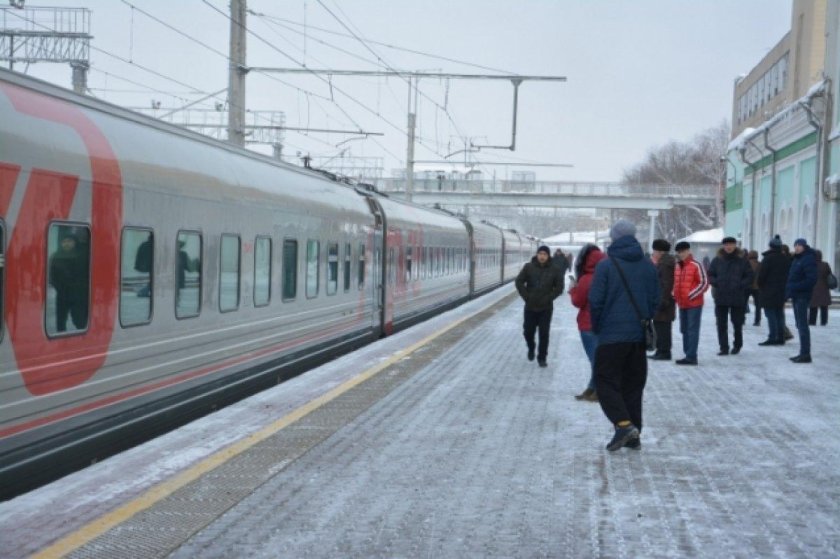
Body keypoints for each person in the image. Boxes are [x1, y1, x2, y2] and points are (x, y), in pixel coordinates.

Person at [589, 219, 659, 451]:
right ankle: (634, 434)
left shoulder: (606, 266)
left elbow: (596, 301)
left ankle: (624, 424)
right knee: (632, 384)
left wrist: (598, 327)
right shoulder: (648, 265)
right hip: (637, 336)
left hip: (611, 336)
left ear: (614, 238)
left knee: (605, 381)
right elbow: (656, 300)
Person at [569, 243, 606, 401]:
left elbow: (578, 301)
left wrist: (572, 289)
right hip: (604, 324)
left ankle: (599, 391)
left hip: (588, 324)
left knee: (595, 360)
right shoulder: (607, 275)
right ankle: (592, 388)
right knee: (598, 358)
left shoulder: (586, 279)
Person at [515, 245, 563, 367]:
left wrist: (549, 298)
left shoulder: (555, 269)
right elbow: (519, 281)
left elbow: (559, 287)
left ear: (548, 256)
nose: (542, 256)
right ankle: (531, 347)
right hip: (530, 306)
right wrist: (526, 296)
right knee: (528, 331)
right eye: (540, 253)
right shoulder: (528, 267)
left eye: (545, 254)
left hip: (546, 308)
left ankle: (542, 357)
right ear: (537, 254)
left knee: (544, 333)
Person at [707, 237, 754, 356]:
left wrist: (740, 285)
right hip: (721, 295)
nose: (729, 247)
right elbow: (710, 274)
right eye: (726, 244)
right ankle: (724, 347)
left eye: (731, 244)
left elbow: (749, 276)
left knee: (737, 323)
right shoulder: (717, 260)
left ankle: (737, 345)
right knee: (721, 323)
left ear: (735, 245)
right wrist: (716, 282)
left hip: (737, 296)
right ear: (723, 246)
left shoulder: (742, 260)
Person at [673, 241, 709, 365]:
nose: (681, 254)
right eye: (679, 252)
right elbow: (676, 283)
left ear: (688, 251)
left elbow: (704, 283)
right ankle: (687, 352)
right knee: (684, 329)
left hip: (694, 304)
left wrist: (691, 295)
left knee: (692, 329)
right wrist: (675, 294)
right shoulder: (678, 266)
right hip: (682, 303)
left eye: (683, 251)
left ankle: (691, 356)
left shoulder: (696, 265)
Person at [48, 231, 89, 332]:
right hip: (63, 294)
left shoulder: (83, 256)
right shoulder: (56, 256)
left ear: (74, 242)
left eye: (69, 241)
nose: (66, 243)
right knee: (60, 321)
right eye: (64, 241)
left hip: (79, 295)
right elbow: (52, 276)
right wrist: (60, 287)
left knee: (80, 321)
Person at [786, 238, 817, 363]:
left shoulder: (807, 259)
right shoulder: (797, 259)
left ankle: (805, 354)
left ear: (805, 246)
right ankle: (803, 352)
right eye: (796, 245)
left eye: (800, 245)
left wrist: (794, 287)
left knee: (803, 325)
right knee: (800, 325)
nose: (797, 247)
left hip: (802, 296)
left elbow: (811, 279)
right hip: (796, 295)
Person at [757, 235, 790, 346]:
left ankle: (773, 337)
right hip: (781, 290)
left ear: (770, 246)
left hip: (769, 290)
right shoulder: (786, 259)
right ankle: (781, 337)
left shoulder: (768, 259)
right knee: (779, 314)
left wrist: (761, 286)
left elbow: (762, 276)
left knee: (770, 314)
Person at [649, 239, 676, 361]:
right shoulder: (665, 262)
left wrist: (662, 300)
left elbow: (666, 283)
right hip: (664, 300)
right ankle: (661, 350)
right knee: (660, 326)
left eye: (654, 250)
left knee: (663, 327)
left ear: (660, 251)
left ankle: (664, 352)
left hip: (664, 301)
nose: (653, 253)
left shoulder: (665, 264)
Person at [809, 250, 832, 326]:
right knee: (824, 306)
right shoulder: (825, 265)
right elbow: (829, 275)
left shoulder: (810, 265)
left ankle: (812, 321)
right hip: (824, 288)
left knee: (813, 306)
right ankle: (824, 321)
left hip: (813, 287)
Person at [746, 250, 762, 326]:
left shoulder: (746, 264)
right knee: (758, 305)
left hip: (747, 286)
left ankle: (742, 319)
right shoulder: (760, 264)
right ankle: (757, 320)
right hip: (757, 287)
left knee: (743, 304)